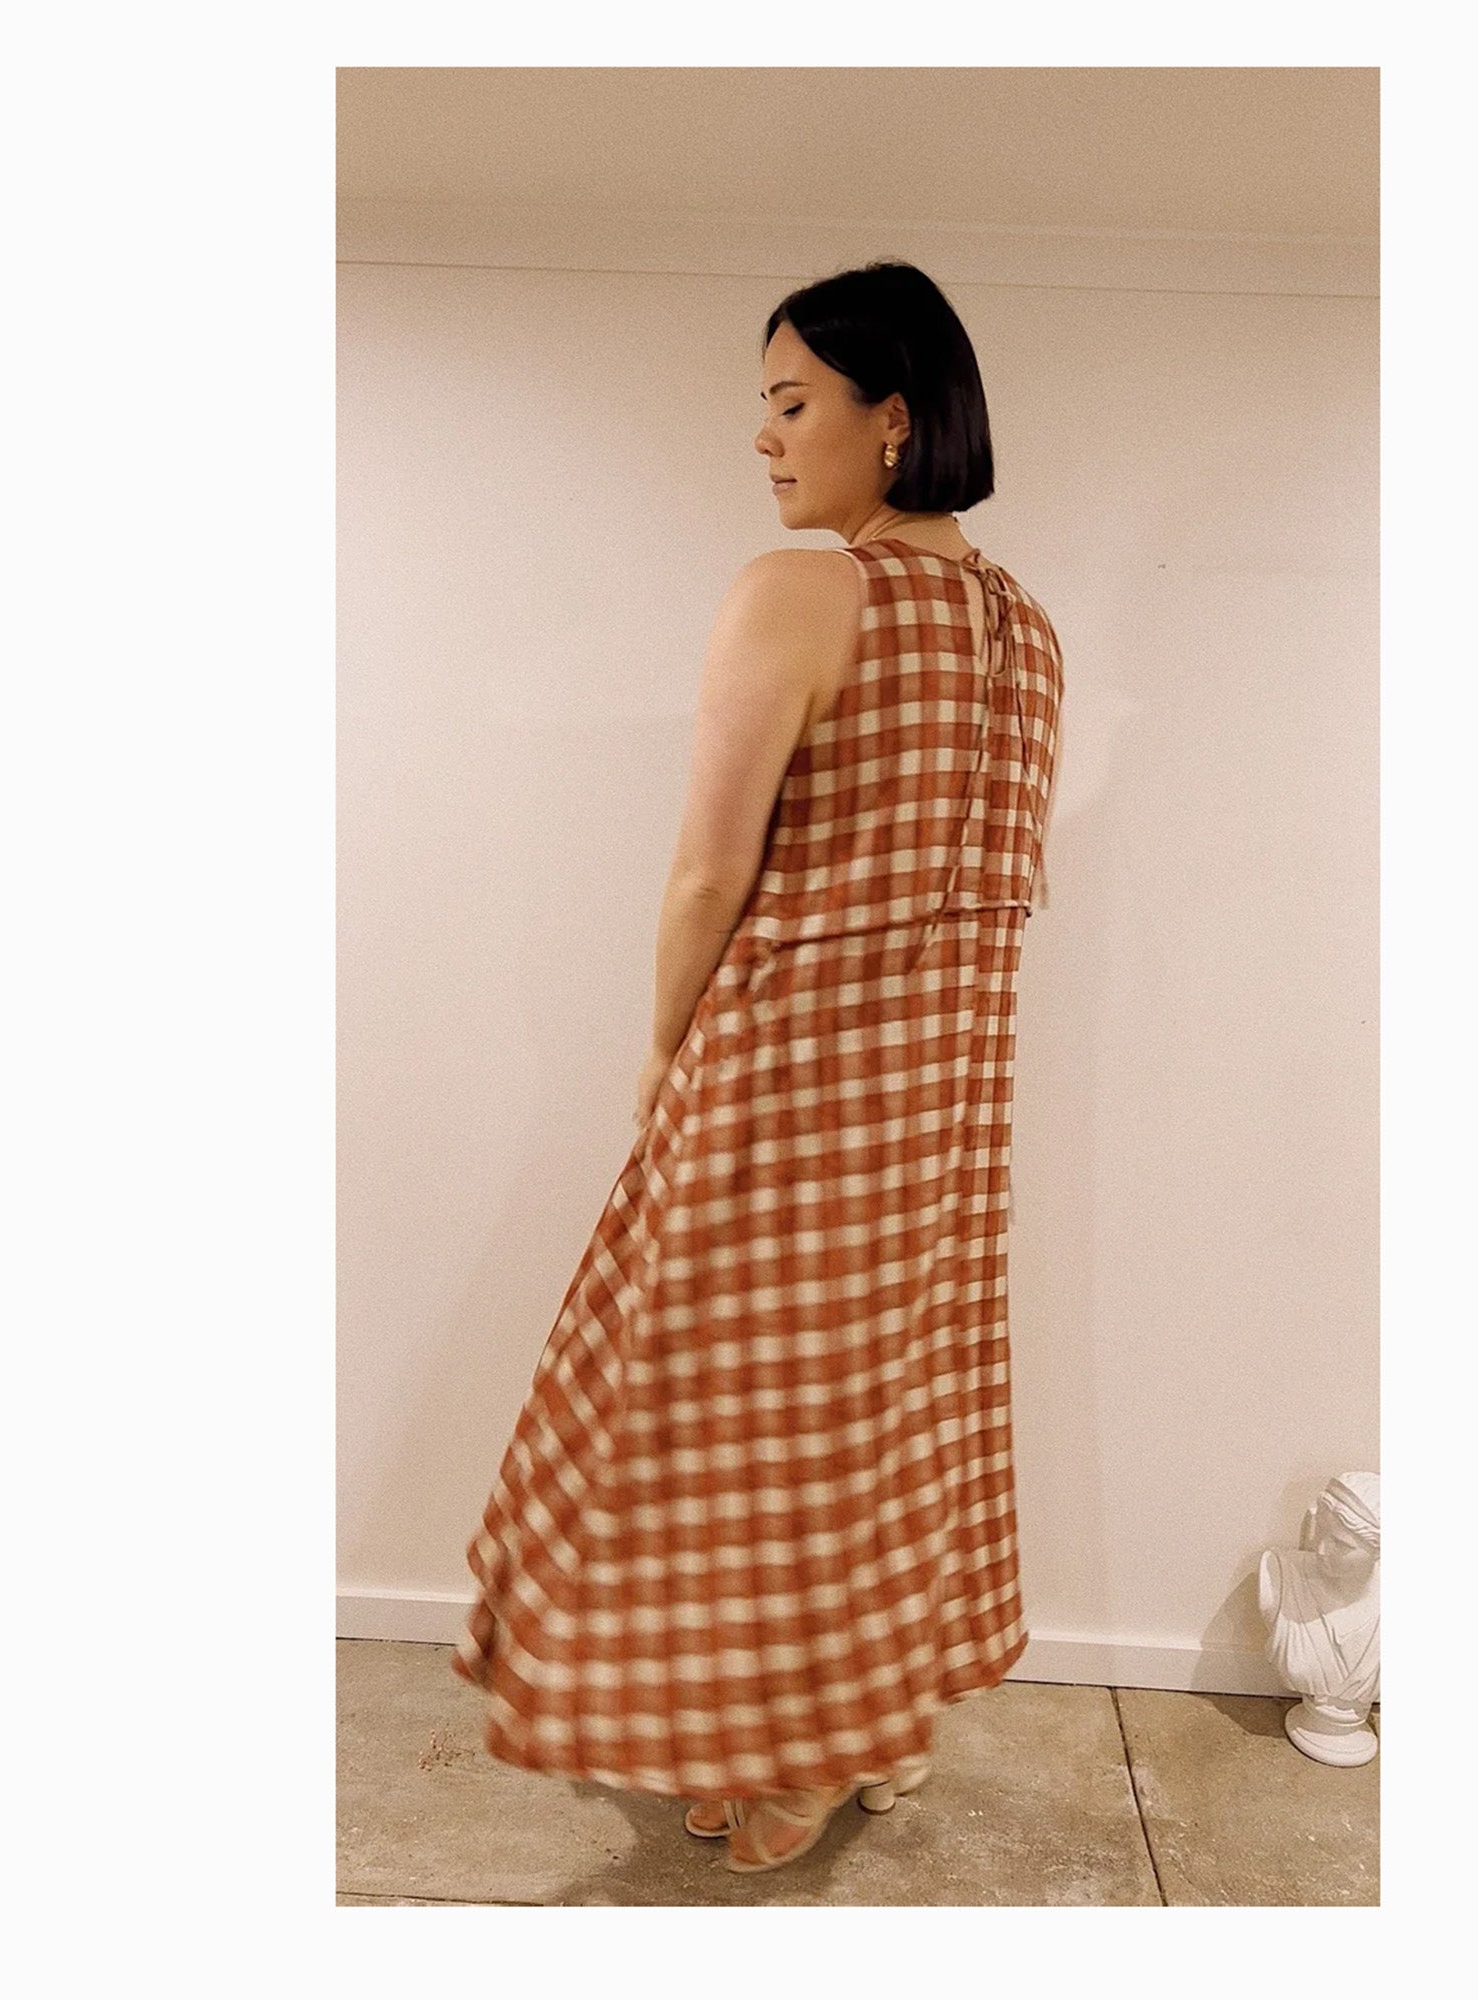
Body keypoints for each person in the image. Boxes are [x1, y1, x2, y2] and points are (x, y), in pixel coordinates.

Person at [451, 259, 1067, 1876]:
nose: (766, 438)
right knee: (874, 1422)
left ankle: (764, 1745)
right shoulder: (1032, 634)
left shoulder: (803, 592)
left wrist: (664, 1048)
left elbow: (709, 874)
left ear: (895, 419)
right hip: (941, 1121)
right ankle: (825, 1736)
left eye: (793, 402)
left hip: (787, 1091)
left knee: (698, 1413)